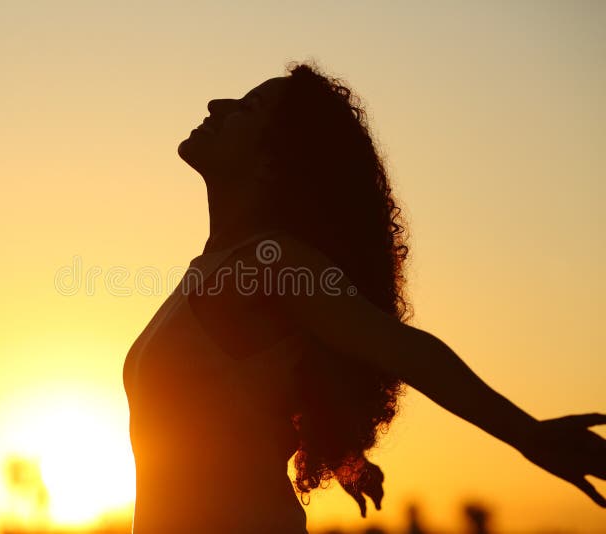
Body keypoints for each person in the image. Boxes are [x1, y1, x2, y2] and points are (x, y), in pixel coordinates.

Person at [122, 62, 605, 534]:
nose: (217, 104)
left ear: (276, 160)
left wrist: (526, 433)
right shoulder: (221, 267)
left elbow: (402, 348)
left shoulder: (274, 263)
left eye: (248, 107)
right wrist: (341, 451)